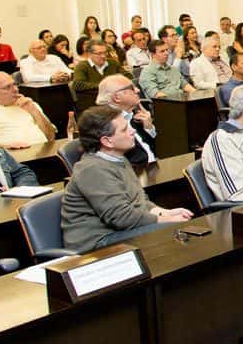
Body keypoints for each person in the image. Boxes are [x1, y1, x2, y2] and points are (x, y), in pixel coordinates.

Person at [61, 106, 192, 252]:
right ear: (107, 141)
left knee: (179, 229)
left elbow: (139, 200)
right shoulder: (92, 169)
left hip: (119, 232)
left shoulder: (119, 159)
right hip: (97, 243)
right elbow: (121, 218)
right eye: (124, 129)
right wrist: (164, 220)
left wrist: (164, 212)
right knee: (172, 233)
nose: (133, 131)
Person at [0, 72, 55, 147]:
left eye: (15, 84)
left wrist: (34, 111)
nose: (16, 89)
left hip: (44, 154)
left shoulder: (29, 104)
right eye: (8, 87)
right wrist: (5, 148)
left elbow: (51, 137)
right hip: (9, 160)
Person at [97, 75, 158, 166]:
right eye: (132, 88)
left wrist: (149, 128)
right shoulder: (106, 122)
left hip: (151, 166)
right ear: (117, 97)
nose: (138, 90)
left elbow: (150, 148)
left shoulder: (132, 114)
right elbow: (135, 158)